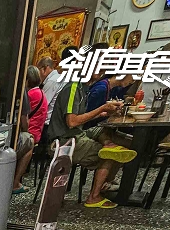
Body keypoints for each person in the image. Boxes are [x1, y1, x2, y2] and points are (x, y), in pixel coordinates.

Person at [46, 77, 137, 209]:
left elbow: (79, 120)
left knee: (107, 134)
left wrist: (101, 114)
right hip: (63, 142)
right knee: (112, 155)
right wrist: (101, 109)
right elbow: (72, 122)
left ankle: (108, 144)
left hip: (76, 134)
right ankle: (94, 196)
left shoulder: (83, 87)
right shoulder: (74, 87)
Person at [12, 65, 47, 193]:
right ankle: (15, 182)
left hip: (31, 131)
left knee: (27, 142)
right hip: (38, 131)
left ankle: (14, 181)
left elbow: (24, 120)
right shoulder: (40, 92)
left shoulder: (30, 93)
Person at [40, 47, 77, 127]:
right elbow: (42, 105)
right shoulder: (57, 79)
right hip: (51, 124)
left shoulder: (55, 80)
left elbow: (42, 106)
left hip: (50, 124)